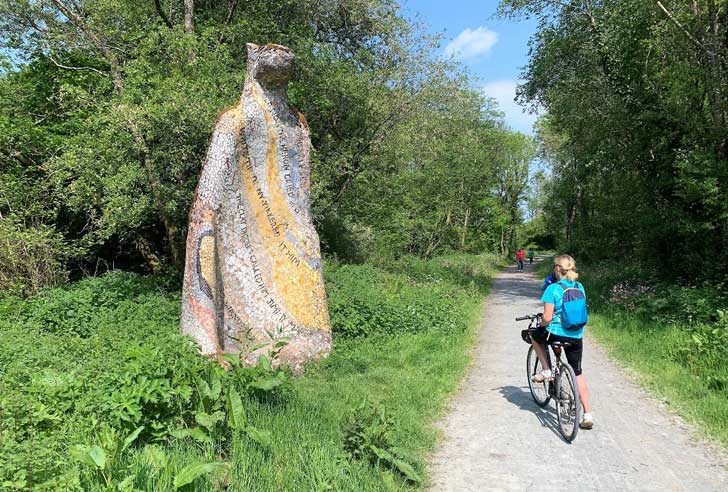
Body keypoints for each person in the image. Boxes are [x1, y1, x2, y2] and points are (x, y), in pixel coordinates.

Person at [530, 254, 593, 429]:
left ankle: (547, 370)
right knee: (577, 372)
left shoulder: (553, 289)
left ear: (558, 268)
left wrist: (541, 323)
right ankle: (587, 414)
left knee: (535, 336)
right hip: (576, 335)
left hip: (556, 333)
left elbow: (548, 317)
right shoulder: (580, 287)